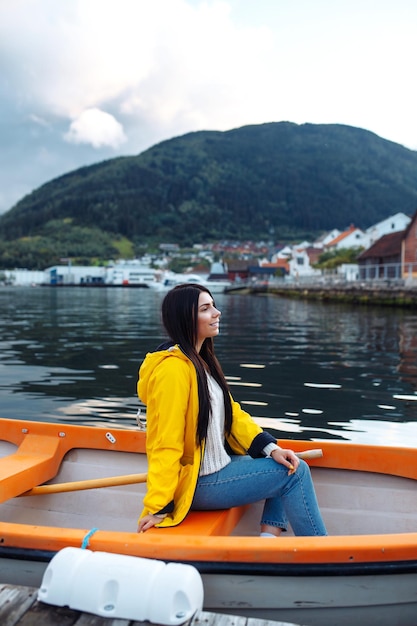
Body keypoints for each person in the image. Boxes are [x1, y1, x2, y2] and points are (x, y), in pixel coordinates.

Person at [137, 283, 327, 537]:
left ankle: (267, 539)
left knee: (286, 460)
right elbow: (165, 442)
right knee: (296, 473)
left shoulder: (200, 361)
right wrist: (158, 506)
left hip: (218, 467)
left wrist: (272, 448)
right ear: (185, 318)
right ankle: (317, 549)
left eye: (213, 306)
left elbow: (233, 414)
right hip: (198, 482)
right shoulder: (172, 371)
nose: (217, 313)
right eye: (206, 309)